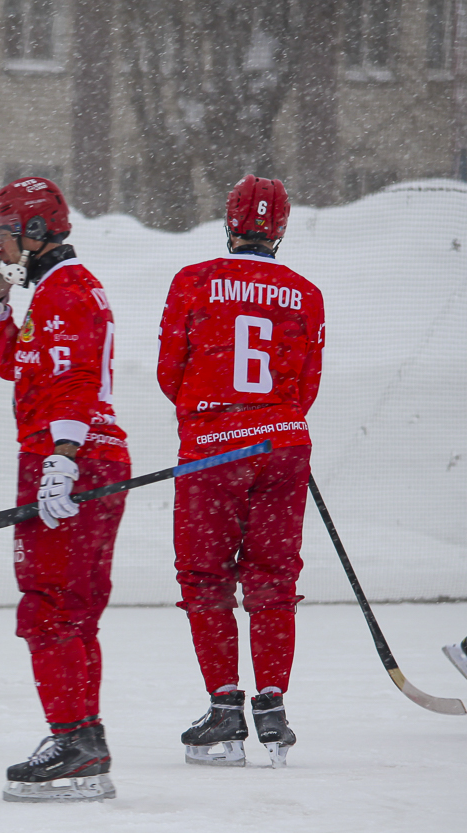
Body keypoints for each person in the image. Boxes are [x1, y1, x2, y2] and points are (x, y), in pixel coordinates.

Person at [0, 176, 129, 802]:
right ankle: (84, 736)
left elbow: (76, 379)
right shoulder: (58, 289)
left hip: (69, 457)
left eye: (3, 236)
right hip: (90, 456)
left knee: (50, 607)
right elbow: (22, 367)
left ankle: (73, 740)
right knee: (73, 609)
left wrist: (62, 458)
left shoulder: (66, 291)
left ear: (34, 232)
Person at [158, 175, 325, 769]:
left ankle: (225, 708)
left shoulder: (193, 281)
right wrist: (269, 424)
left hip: (212, 451)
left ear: (229, 223)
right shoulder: (306, 294)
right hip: (283, 447)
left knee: (205, 579)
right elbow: (306, 386)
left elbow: (169, 372)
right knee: (273, 579)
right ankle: (272, 711)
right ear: (280, 229)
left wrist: (215, 418)